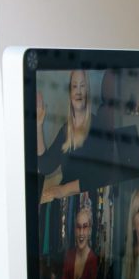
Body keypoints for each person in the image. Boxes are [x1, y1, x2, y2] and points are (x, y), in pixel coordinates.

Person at [37, 70, 112, 202]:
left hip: (88, 201)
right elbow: (45, 166)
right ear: (70, 93)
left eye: (82, 86)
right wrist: (38, 126)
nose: (78, 91)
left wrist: (63, 189)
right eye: (74, 86)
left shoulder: (98, 126)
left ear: (87, 92)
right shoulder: (65, 130)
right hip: (66, 201)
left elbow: (98, 176)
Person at [54, 203, 98, 279]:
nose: (81, 232)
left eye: (85, 227)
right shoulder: (69, 255)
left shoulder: (93, 260)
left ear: (89, 230)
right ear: (74, 230)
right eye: (78, 227)